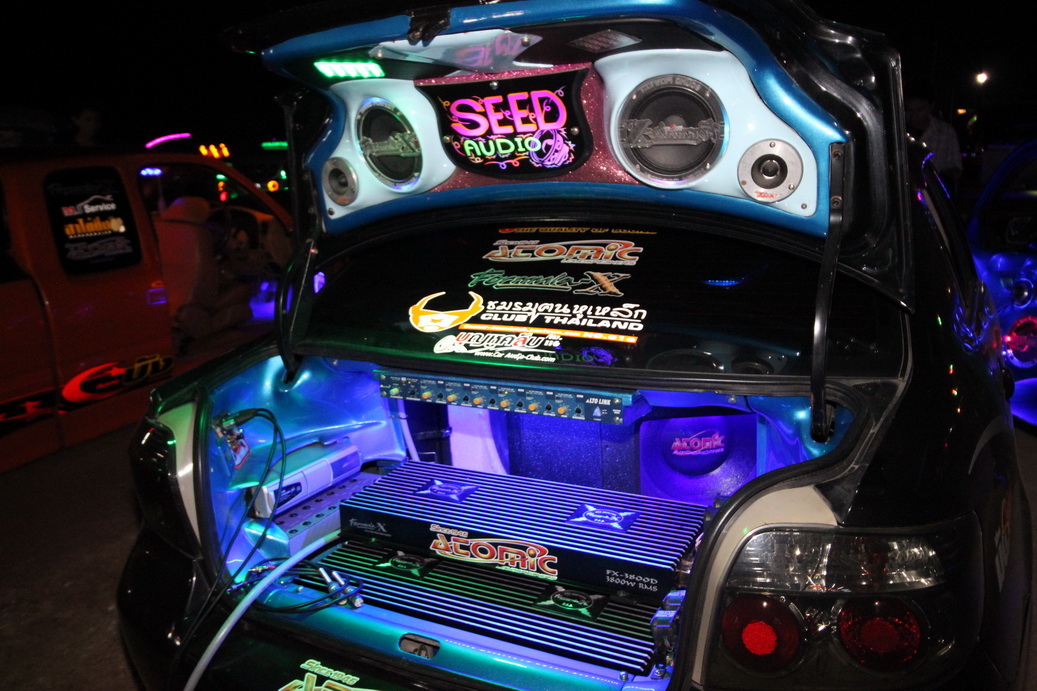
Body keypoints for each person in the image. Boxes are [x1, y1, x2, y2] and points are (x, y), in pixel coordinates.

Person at [905, 85, 963, 193]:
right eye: (909, 110)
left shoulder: (945, 132)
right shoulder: (900, 131)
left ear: (931, 107)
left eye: (919, 110)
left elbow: (955, 168)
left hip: (933, 193)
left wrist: (937, 178)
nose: (914, 115)